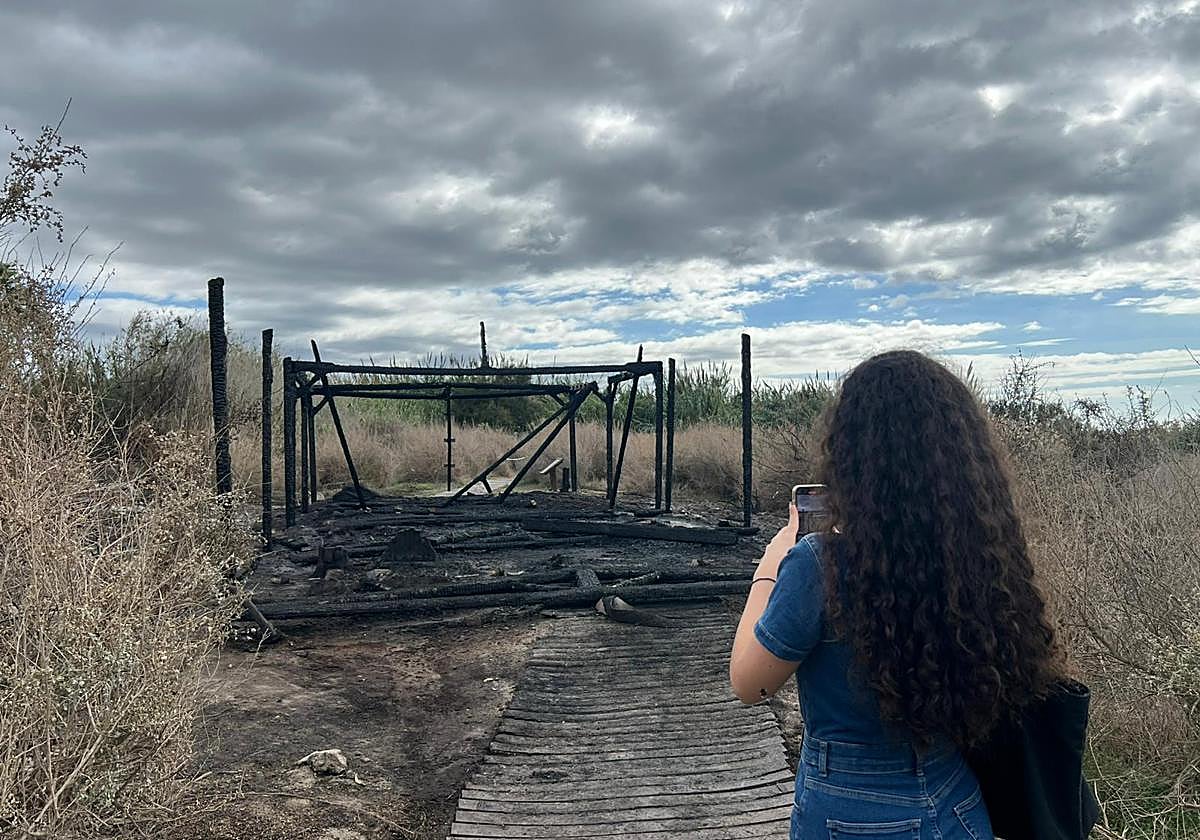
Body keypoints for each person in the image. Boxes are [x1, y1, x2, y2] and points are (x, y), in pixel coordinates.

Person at [729, 349, 1062, 840]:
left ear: (851, 456)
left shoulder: (820, 564)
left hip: (849, 815)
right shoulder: (977, 559)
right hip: (959, 807)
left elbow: (748, 682)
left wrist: (771, 566)